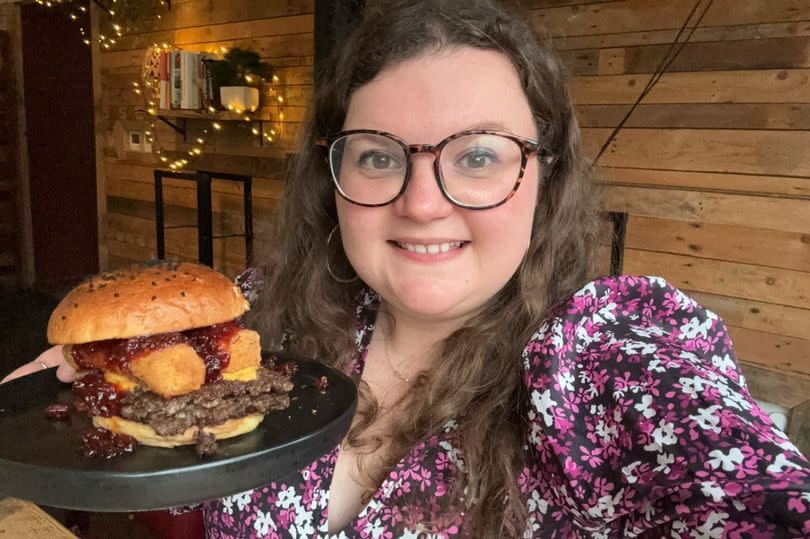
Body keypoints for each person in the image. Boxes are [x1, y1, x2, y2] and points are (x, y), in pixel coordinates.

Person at [5, 0, 810, 537]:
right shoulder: (259, 314)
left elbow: (751, 499)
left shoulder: (609, 354)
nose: (424, 203)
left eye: (481, 155)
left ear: (546, 178)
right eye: (380, 155)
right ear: (334, 175)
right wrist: (100, 372)